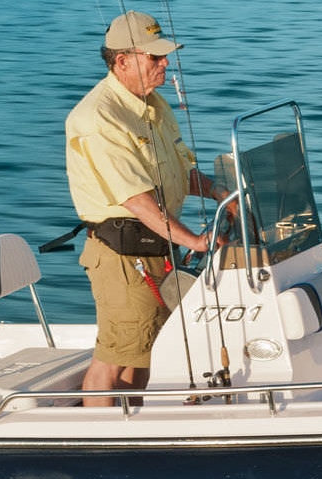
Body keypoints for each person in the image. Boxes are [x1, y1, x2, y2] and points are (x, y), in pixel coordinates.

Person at [65, 11, 225, 407]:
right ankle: (99, 442)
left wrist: (223, 195)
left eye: (163, 55)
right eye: (154, 57)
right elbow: (136, 198)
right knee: (114, 357)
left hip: (157, 246)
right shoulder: (99, 117)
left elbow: (177, 172)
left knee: (144, 349)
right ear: (123, 61)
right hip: (122, 255)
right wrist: (195, 240)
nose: (164, 64)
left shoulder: (153, 105)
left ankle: (130, 423)